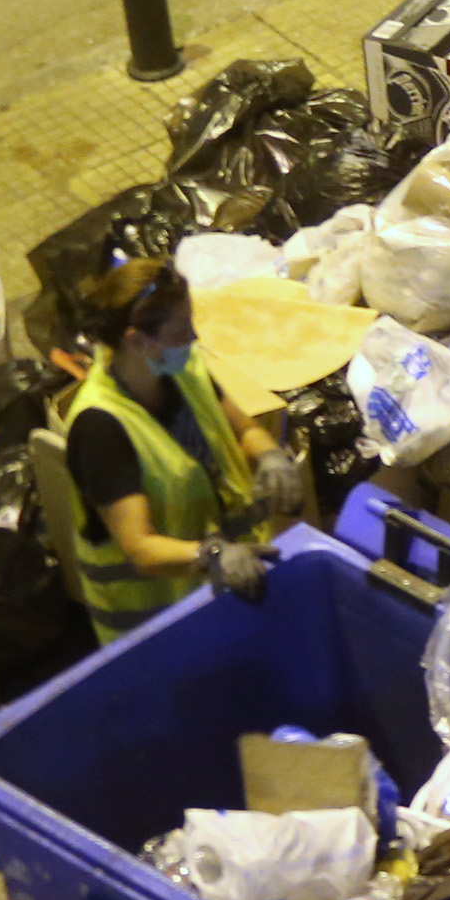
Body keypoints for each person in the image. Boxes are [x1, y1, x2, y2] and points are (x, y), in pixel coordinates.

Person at [62, 259, 303, 640]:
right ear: (137, 341)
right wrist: (211, 556)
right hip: (160, 629)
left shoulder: (179, 368)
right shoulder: (100, 429)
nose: (193, 338)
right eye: (180, 330)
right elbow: (140, 548)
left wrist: (270, 455)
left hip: (226, 592)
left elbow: (243, 428)